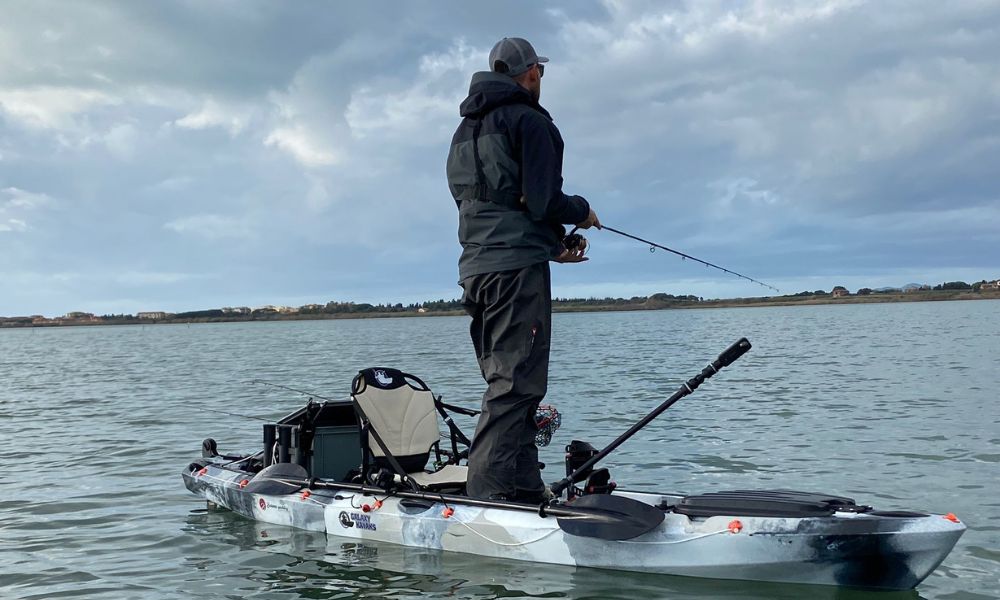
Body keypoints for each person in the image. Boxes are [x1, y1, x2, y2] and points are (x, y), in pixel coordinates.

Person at [445, 37, 600, 502]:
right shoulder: (530, 122)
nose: (540, 80)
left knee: (511, 384)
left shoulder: (464, 133)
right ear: (530, 72)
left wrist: (550, 246)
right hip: (515, 274)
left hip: (477, 271)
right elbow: (543, 200)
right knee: (517, 385)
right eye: (540, 72)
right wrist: (582, 210)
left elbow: (495, 205)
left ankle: (524, 487)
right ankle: (488, 498)